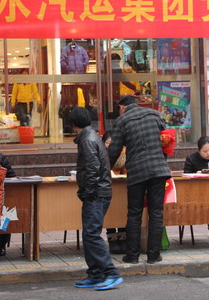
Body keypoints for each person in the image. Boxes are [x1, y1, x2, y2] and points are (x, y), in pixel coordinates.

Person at [108, 95, 171, 265]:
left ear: (122, 107)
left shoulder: (121, 121)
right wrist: (162, 162)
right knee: (156, 213)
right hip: (158, 171)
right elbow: (167, 141)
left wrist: (106, 169)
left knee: (134, 213)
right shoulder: (154, 114)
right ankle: (153, 255)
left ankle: (132, 256)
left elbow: (114, 151)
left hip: (136, 172)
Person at [71, 107, 123, 291]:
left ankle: (111, 273)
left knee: (92, 234)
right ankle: (95, 274)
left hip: (97, 193)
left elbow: (93, 167)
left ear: (73, 124)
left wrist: (89, 191)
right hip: (99, 191)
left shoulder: (87, 139)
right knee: (89, 234)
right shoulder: (91, 136)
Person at [102, 131, 126, 255]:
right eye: (108, 143)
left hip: (122, 186)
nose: (111, 147)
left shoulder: (124, 153)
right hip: (107, 187)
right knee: (110, 212)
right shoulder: (101, 154)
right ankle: (112, 238)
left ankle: (123, 238)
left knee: (121, 211)